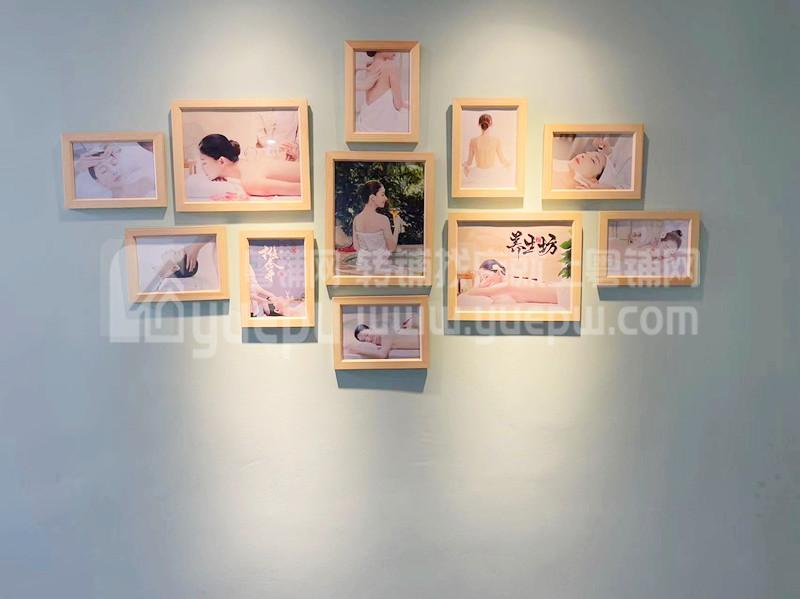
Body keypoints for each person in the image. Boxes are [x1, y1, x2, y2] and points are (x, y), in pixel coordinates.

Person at [197, 134, 301, 199]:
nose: (202, 168)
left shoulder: (249, 181)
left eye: (204, 163)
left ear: (221, 161)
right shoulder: (249, 164)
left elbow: (302, 188)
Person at [351, 180, 406, 274]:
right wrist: (397, 226)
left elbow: (356, 247)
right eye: (382, 195)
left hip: (362, 267)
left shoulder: (356, 219)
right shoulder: (383, 220)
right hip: (380, 268)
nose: (386, 198)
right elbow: (392, 248)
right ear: (372, 198)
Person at [459, 259, 558, 304]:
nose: (483, 282)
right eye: (481, 279)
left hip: (560, 293)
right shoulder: (509, 284)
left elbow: (470, 292)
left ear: (498, 272)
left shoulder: (505, 286)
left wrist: (480, 286)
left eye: (486, 276)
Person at [75, 143, 156, 198]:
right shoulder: (101, 202)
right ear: (99, 182)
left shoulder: (146, 181)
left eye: (114, 163)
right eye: (104, 170)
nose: (113, 171)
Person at [355, 51, 409, 132]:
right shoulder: (390, 66)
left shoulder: (369, 67)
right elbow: (398, 104)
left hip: (367, 119)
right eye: (391, 47)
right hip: (382, 121)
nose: (395, 51)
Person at [462, 113, 512, 185]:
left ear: (479, 125)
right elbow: (502, 160)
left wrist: (464, 165)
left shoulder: (473, 141)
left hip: (477, 175)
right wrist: (509, 164)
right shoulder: (496, 141)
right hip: (492, 175)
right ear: (491, 125)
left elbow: (469, 162)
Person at [345, 314, 421, 359]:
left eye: (367, 335)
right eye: (364, 340)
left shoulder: (385, 334)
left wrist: (357, 350)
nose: (368, 340)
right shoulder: (382, 341)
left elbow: (382, 355)